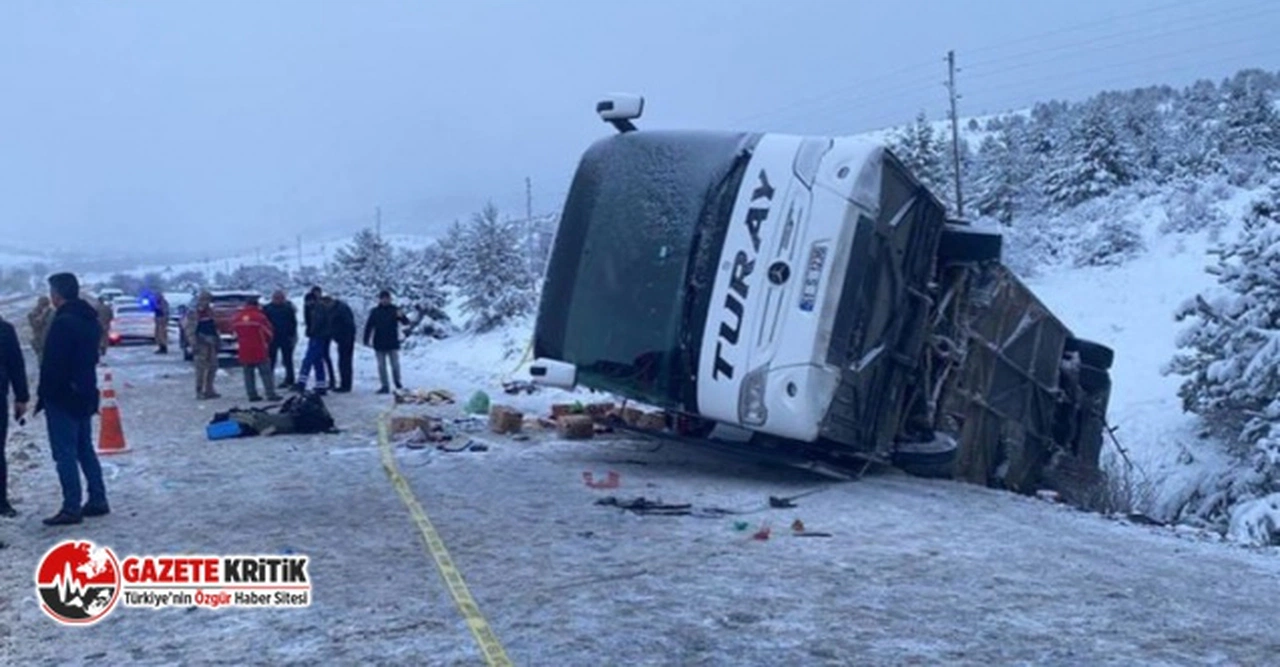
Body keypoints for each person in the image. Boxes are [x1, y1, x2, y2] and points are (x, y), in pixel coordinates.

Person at [35, 272, 109, 526]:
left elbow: (54, 363)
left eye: (52, 292)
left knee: (64, 453)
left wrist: (45, 393)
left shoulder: (63, 322)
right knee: (84, 448)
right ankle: (98, 498)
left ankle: (71, 507)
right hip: (85, 392)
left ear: (58, 294)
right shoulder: (88, 319)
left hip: (63, 396)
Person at [0, 311, 29, 517]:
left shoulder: (5, 330)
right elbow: (17, 365)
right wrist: (21, 397)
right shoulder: (5, 329)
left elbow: (16, 365)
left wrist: (22, 396)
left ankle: (1, 501)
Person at [232, 296, 280, 402]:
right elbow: (268, 332)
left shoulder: (237, 317)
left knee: (248, 373)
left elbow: (234, 332)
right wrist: (268, 342)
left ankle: (252, 394)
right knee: (266, 373)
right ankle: (270, 393)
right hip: (259, 348)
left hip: (244, 348)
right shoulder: (260, 317)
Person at [364, 290, 410, 394]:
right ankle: (384, 385)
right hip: (379, 342)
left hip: (392, 342)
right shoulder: (375, 312)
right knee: (381, 366)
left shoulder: (395, 310)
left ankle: (397, 382)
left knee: (395, 365)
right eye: (383, 298)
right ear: (380, 300)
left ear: (390, 299)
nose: (385, 300)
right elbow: (369, 326)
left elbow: (406, 322)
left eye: (387, 298)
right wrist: (366, 339)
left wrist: (402, 316)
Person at [186, 291, 221, 400]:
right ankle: (199, 390)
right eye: (205, 299)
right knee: (201, 369)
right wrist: (193, 343)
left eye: (208, 300)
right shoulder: (194, 313)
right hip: (201, 343)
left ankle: (209, 389)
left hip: (212, 342)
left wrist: (217, 339)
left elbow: (215, 326)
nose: (207, 302)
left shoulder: (211, 312)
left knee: (213, 366)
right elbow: (190, 330)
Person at [297, 287, 332, 394]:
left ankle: (301, 383)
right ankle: (321, 385)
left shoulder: (318, 308)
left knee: (308, 360)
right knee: (318, 361)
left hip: (318, 337)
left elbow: (317, 323)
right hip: (321, 337)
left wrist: (311, 332)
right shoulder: (318, 307)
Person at [262, 290, 298, 389]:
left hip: (286, 338)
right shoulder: (267, 309)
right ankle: (269, 380)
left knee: (288, 360)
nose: (279, 300)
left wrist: (292, 335)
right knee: (271, 360)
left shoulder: (288, 308)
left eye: (281, 298)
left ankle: (290, 379)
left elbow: (293, 323)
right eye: (277, 298)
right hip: (272, 338)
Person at [329, 295, 357, 393]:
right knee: (344, 362)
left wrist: (341, 336)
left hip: (346, 339)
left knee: (345, 362)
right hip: (343, 338)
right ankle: (345, 384)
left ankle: (345, 385)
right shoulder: (338, 308)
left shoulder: (340, 309)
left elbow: (347, 324)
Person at [27, 295, 53, 364]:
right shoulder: (32, 315)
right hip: (40, 344)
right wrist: (44, 314)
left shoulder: (51, 313)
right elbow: (36, 324)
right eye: (43, 305)